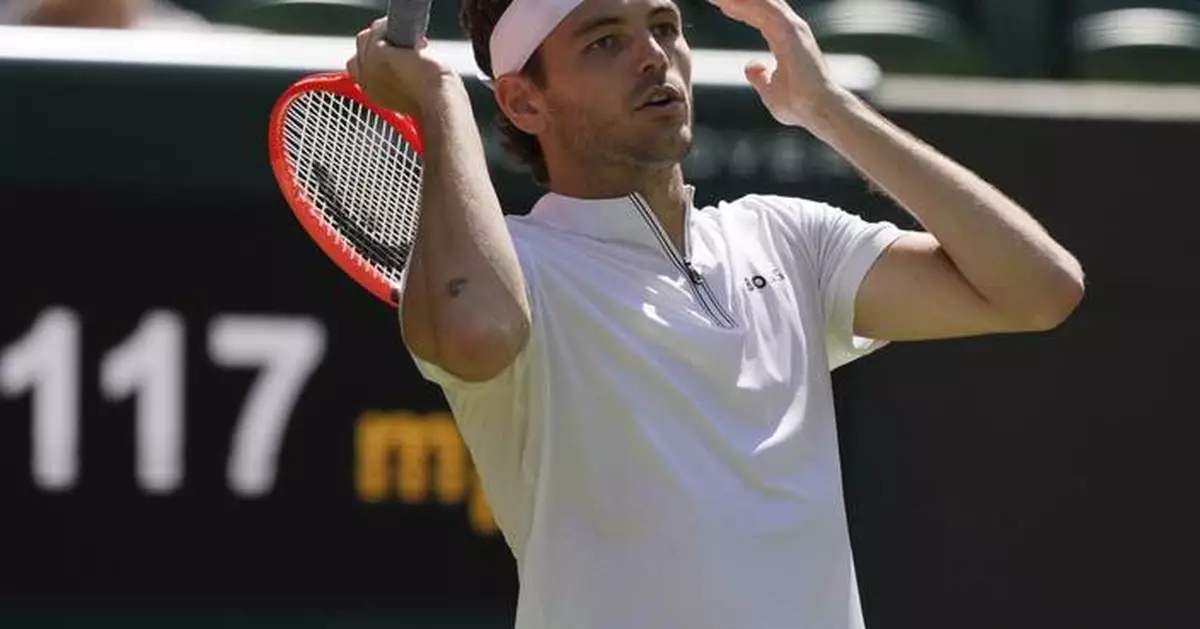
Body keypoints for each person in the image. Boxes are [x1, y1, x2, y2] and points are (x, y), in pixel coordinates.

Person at [348, 0, 1085, 627]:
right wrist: (440, 100)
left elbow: (1039, 288)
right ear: (521, 100)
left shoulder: (788, 238)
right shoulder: (510, 270)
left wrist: (827, 109)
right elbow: (475, 331)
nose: (652, 56)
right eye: (605, 40)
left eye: (664, 26)